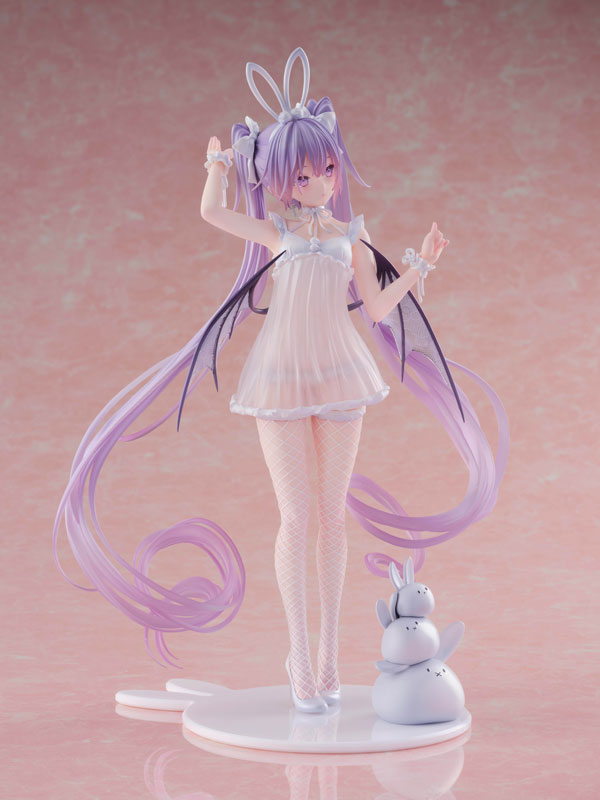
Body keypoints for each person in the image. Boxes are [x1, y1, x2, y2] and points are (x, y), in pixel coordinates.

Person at [53, 47, 508, 715]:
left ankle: (328, 658)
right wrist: (218, 163)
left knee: (331, 519)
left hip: (342, 375)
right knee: (296, 518)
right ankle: (299, 655)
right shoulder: (274, 231)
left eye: (327, 168)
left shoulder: (352, 236)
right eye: (304, 173)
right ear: (281, 181)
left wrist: (420, 266)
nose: (320, 181)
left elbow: (377, 308)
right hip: (280, 381)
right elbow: (212, 212)